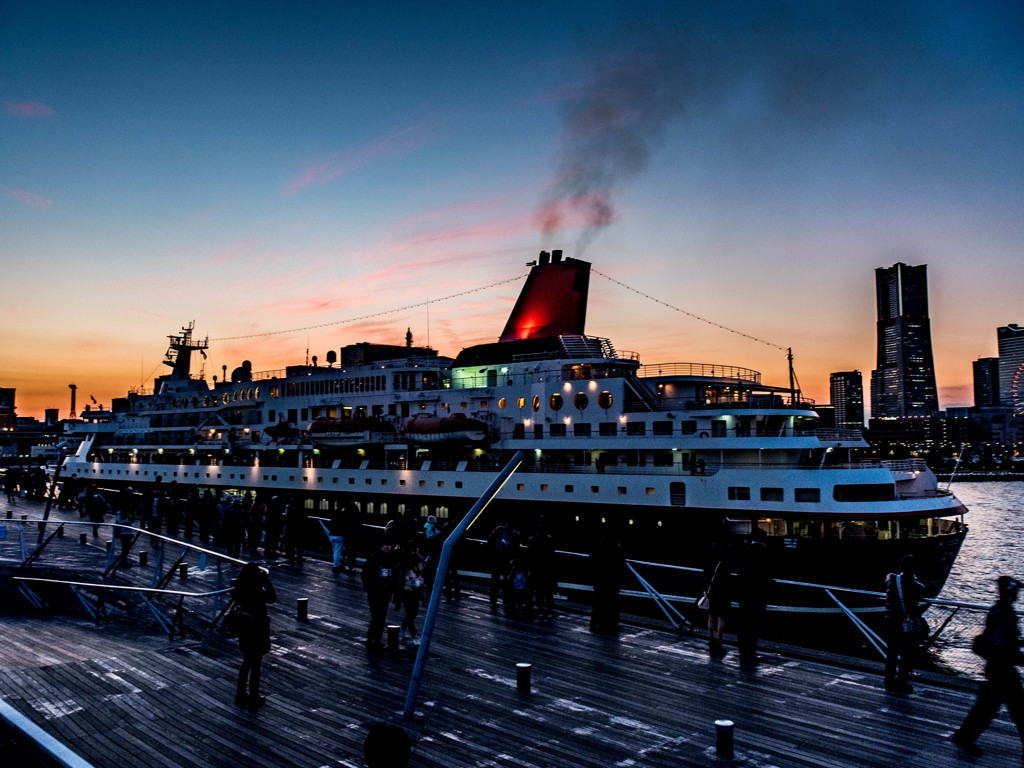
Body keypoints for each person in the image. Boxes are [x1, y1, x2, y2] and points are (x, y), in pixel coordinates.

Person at [952, 575, 1024, 758]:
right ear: (1010, 592)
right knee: (1018, 710)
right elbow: (1001, 643)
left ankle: (964, 736)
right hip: (1003, 669)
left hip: (996, 668)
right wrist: (1019, 657)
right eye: (1016, 591)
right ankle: (964, 737)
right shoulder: (1004, 614)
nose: (1018, 595)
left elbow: (998, 639)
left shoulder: (997, 610)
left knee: (986, 708)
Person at [233, 562, 277, 709]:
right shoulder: (257, 591)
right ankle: (254, 695)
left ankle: (240, 693)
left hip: (244, 628)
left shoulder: (239, 590)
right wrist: (266, 581)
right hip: (258, 628)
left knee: (246, 662)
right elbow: (272, 598)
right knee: (256, 664)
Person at [884, 554, 925, 693]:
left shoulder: (891, 578)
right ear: (914, 569)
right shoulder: (915, 586)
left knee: (891, 653)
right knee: (906, 654)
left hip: (890, 621)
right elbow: (921, 592)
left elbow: (888, 578)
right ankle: (901, 682)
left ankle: (889, 680)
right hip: (904, 624)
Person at [736, 528, 771, 664]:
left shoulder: (745, 551)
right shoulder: (764, 553)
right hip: (757, 595)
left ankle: (742, 652)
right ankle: (750, 652)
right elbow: (767, 575)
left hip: (744, 594)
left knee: (743, 625)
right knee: (753, 626)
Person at [362, 536, 400, 652]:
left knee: (381, 616)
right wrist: (369, 588)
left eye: (389, 545)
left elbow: (394, 576)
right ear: (381, 546)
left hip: (385, 592)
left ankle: (374, 638)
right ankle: (373, 638)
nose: (388, 547)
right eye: (385, 545)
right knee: (377, 616)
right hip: (375, 591)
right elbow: (365, 575)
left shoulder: (391, 560)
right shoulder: (374, 558)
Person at [589, 531, 624, 634]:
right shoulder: (617, 551)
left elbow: (592, 562)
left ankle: (596, 622)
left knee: (599, 602)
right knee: (611, 603)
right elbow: (621, 566)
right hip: (612, 582)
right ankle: (610, 623)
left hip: (600, 581)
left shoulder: (598, 549)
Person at [487, 519, 519, 608]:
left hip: (500, 557)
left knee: (496, 579)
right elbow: (517, 548)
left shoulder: (500, 530)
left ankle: (494, 598)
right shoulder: (515, 534)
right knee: (505, 580)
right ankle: (504, 599)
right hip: (505, 558)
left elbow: (490, 540)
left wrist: (492, 552)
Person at [397, 544, 425, 645]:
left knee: (413, 613)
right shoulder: (407, 562)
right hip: (407, 590)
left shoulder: (418, 561)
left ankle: (403, 629)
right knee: (410, 613)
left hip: (414, 590)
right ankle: (415, 635)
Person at [528, 523, 557, 619]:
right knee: (548, 592)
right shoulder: (549, 540)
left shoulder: (532, 540)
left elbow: (530, 555)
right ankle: (549, 610)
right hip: (547, 569)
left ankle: (540, 609)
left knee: (539, 591)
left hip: (537, 569)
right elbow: (552, 556)